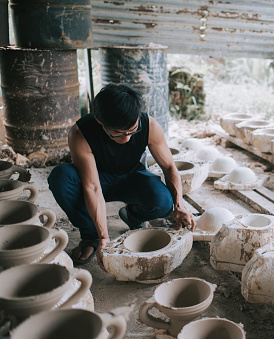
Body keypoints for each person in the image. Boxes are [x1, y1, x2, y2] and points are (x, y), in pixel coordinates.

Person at [48, 83, 195, 267]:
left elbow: (169, 167)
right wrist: (104, 237)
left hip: (132, 178)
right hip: (97, 180)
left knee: (164, 201)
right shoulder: (81, 133)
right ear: (100, 121)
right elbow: (92, 187)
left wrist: (179, 204)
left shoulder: (149, 125)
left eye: (132, 131)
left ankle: (133, 215)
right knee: (60, 177)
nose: (126, 138)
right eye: (118, 133)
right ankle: (90, 236)